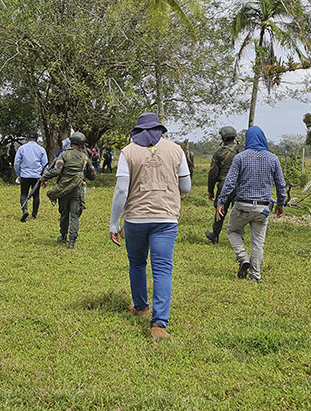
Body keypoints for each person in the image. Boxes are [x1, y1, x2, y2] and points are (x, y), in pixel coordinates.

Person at [109, 113, 191, 341]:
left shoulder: (128, 152)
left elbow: (121, 190)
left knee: (137, 262)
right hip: (166, 219)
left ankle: (141, 306)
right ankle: (158, 324)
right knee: (163, 268)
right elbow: (186, 187)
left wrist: (114, 223)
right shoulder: (176, 150)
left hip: (135, 219)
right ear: (160, 129)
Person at [215, 125, 287, 282]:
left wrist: (221, 202)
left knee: (233, 231)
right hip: (263, 208)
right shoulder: (273, 159)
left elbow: (229, 183)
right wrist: (281, 203)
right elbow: (281, 184)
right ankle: (255, 276)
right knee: (258, 242)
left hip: (242, 205)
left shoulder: (240, 158)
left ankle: (243, 258)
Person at [42, 132, 96, 249]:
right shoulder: (85, 157)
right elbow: (92, 175)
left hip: (63, 189)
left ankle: (63, 236)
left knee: (64, 213)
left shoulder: (64, 155)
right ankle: (72, 241)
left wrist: (44, 177)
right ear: (82, 144)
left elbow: (56, 171)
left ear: (71, 142)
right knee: (75, 215)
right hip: (77, 190)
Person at [205, 126, 244, 243]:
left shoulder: (219, 153)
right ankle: (239, 236)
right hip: (241, 185)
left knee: (220, 209)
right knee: (239, 211)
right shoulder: (242, 149)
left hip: (224, 184)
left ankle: (215, 234)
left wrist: (210, 190)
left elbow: (213, 173)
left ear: (222, 137)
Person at [14, 131, 48, 222]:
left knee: (24, 194)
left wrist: (18, 174)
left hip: (25, 175)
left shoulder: (22, 148)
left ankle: (25, 209)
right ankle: (34, 215)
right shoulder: (41, 149)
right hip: (37, 176)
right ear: (37, 139)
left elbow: (16, 163)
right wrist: (44, 178)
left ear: (29, 138)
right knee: (36, 195)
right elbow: (45, 165)